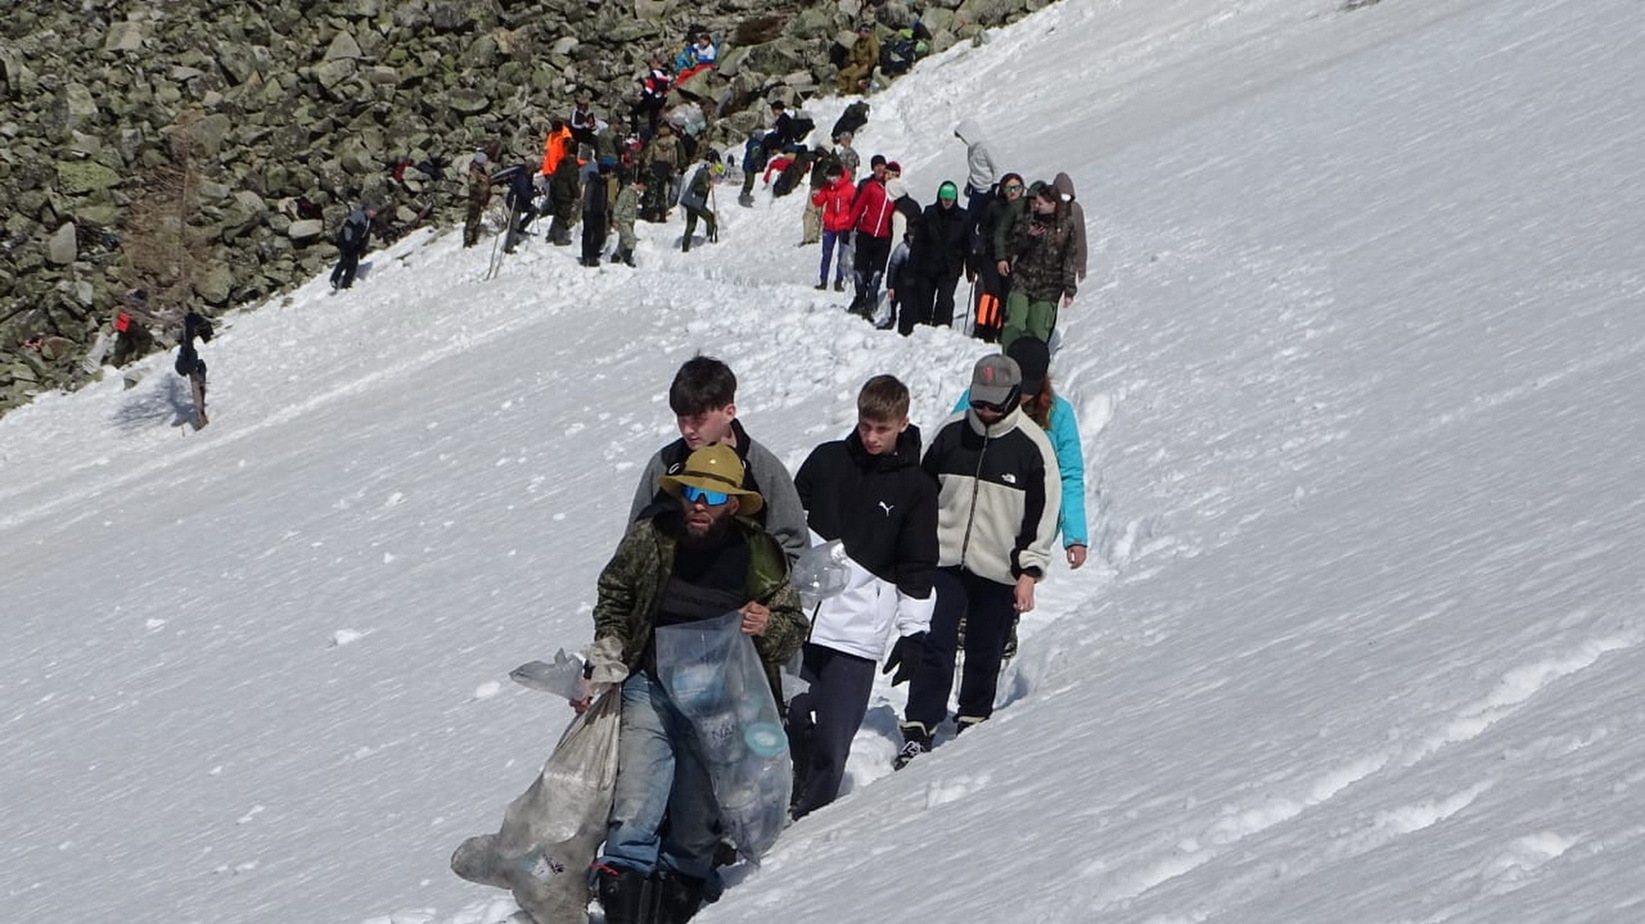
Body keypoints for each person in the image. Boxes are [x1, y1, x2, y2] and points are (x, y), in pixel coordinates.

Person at [583, 443, 808, 924]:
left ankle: (678, 896)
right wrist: (608, 646)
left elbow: (792, 625)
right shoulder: (653, 535)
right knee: (637, 800)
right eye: (690, 491)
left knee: (695, 814)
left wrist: (767, 623)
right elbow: (615, 591)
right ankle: (624, 892)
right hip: (653, 687)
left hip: (720, 703)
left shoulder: (757, 551)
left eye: (710, 494)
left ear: (733, 502)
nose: (698, 504)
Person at [895, 353, 1060, 768]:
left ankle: (973, 719)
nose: (983, 410)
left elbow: (1043, 514)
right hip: (945, 561)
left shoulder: (1032, 447)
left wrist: (1029, 571)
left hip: (1000, 569)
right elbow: (922, 495)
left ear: (1012, 400)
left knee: (986, 648)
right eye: (978, 401)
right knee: (936, 643)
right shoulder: (950, 435)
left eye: (992, 403)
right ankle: (919, 726)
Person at [787, 375, 937, 819]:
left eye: (882, 429)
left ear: (903, 424)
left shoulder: (917, 488)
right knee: (787, 719)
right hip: (803, 620)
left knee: (834, 741)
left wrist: (914, 632)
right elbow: (787, 527)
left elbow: (918, 564)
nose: (871, 437)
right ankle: (782, 798)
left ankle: (809, 820)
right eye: (865, 425)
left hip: (856, 635)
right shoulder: (827, 459)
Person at [628, 356, 808, 562]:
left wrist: (765, 592)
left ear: (729, 412)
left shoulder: (764, 469)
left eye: (698, 419)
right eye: (681, 419)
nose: (687, 430)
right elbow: (633, 543)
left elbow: (794, 550)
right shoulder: (664, 464)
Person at [999, 182, 1078, 349]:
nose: (1036, 206)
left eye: (1040, 204)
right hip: (1023, 280)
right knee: (1014, 323)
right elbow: (1012, 247)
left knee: (1037, 331)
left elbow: (1069, 259)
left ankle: (1031, 368)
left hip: (1048, 288)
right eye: (1036, 203)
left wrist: (1069, 289)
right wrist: (1028, 237)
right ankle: (1009, 361)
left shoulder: (1066, 226)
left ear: (1053, 204)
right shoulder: (1029, 220)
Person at [900, 181, 969, 333]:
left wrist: (971, 268)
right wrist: (911, 269)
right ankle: (922, 331)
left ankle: (941, 333)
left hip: (950, 268)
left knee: (944, 301)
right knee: (924, 301)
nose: (947, 202)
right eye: (944, 199)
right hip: (928, 266)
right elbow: (918, 243)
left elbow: (967, 245)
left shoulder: (963, 218)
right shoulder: (929, 214)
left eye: (950, 199)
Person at [970, 172, 1024, 343]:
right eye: (1009, 188)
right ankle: (984, 328)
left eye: (1016, 188)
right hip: (990, 255)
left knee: (1006, 293)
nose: (1013, 191)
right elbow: (984, 230)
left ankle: (1001, 328)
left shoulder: (1024, 209)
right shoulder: (995, 206)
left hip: (1010, 257)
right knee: (991, 292)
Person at [845, 154, 894, 319]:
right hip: (865, 233)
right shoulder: (869, 186)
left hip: (883, 237)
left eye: (882, 166)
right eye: (876, 166)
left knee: (876, 274)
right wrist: (848, 227)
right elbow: (858, 207)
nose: (880, 169)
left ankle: (871, 302)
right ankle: (860, 298)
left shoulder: (893, 189)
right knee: (860, 270)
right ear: (873, 169)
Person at [811, 164, 855, 291]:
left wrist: (851, 223)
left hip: (843, 226)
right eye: (829, 179)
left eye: (833, 179)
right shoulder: (827, 188)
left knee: (842, 255)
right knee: (826, 254)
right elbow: (820, 201)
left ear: (839, 176)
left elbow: (855, 206)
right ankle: (823, 281)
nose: (831, 181)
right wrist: (815, 196)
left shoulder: (850, 189)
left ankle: (839, 281)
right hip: (829, 226)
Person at [679, 154, 722, 253]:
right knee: (710, 217)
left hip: (690, 202)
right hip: (694, 202)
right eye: (716, 174)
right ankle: (709, 239)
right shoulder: (703, 173)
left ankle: (685, 247)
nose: (715, 177)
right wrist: (707, 184)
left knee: (691, 224)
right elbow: (699, 182)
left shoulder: (706, 175)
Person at [1052, 172, 1088, 284]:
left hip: (1067, 263)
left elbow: (1080, 239)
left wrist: (1081, 267)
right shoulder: (1047, 208)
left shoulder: (1075, 210)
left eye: (1067, 197)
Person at [331, 202, 377, 288]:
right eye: (373, 211)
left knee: (353, 263)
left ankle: (346, 284)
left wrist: (363, 246)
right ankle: (334, 278)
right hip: (346, 241)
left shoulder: (370, 221)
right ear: (368, 210)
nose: (374, 213)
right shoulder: (359, 215)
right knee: (345, 260)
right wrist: (348, 240)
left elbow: (366, 234)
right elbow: (348, 226)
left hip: (356, 243)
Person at [581, 158, 615, 266]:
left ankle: (594, 254)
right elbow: (588, 197)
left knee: (599, 235)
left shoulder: (603, 183)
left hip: (600, 211)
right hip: (590, 211)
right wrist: (587, 211)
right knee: (589, 234)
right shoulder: (593, 181)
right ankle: (587, 257)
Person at [463, 149, 499, 248]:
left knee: (477, 218)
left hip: (481, 199)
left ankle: (474, 238)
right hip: (475, 199)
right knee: (472, 219)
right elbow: (473, 185)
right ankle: (468, 241)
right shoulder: (474, 171)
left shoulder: (480, 170)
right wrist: (480, 194)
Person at [837, 22, 880, 94]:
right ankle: (843, 90)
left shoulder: (872, 41)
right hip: (857, 65)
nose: (859, 33)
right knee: (842, 74)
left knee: (854, 77)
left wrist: (869, 65)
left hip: (867, 67)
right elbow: (852, 51)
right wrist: (853, 62)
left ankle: (851, 93)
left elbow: (875, 56)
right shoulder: (858, 41)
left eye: (861, 31)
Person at [610, 173, 642, 267]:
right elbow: (619, 205)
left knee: (623, 242)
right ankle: (627, 260)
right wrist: (615, 219)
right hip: (623, 220)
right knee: (630, 240)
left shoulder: (635, 193)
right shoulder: (627, 192)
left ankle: (615, 258)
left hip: (630, 220)